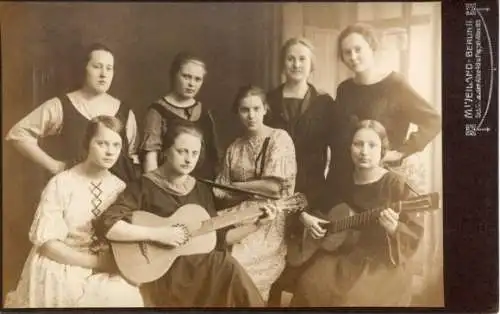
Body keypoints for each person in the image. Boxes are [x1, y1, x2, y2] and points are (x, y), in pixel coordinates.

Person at [94, 120, 265, 307]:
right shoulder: (144, 186)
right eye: (182, 151)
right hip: (159, 273)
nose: (188, 159)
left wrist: (257, 224)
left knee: (224, 264)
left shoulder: (200, 189)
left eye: (194, 153)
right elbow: (108, 224)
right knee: (225, 264)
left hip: (196, 272)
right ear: (166, 151)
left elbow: (217, 237)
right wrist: (159, 235)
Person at [4, 116, 144, 308]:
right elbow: (47, 245)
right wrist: (96, 263)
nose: (110, 151)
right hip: (60, 260)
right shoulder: (62, 183)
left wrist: (110, 263)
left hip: (106, 264)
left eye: (116, 145)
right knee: (66, 290)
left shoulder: (120, 188)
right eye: (102, 143)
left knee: (123, 295)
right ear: (87, 143)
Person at [290, 120, 424, 306]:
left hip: (381, 260)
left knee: (350, 299)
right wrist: (307, 218)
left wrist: (394, 229)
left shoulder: (395, 184)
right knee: (309, 284)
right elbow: (317, 208)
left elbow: (413, 232)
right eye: (358, 144)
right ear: (349, 148)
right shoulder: (341, 180)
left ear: (382, 150)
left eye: (372, 145)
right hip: (343, 255)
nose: (364, 151)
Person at [329, 23, 441, 198]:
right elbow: (339, 138)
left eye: (358, 49)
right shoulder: (344, 89)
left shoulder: (395, 84)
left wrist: (400, 153)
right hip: (347, 179)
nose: (353, 56)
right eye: (347, 52)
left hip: (383, 181)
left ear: (371, 47)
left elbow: (433, 120)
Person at [5, 43, 140, 184]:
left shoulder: (125, 112)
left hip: (119, 195)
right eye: (97, 66)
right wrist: (55, 166)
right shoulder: (62, 105)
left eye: (109, 68)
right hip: (75, 192)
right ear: (84, 68)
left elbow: (132, 155)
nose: (103, 74)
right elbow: (18, 134)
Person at [214, 85, 300, 302]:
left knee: (240, 264)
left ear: (265, 109)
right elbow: (220, 192)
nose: (251, 115)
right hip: (239, 212)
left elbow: (274, 187)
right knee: (212, 255)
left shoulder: (280, 138)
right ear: (238, 112)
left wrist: (237, 186)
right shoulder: (235, 147)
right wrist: (233, 191)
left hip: (271, 215)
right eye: (244, 110)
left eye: (256, 108)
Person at [140, 52, 219, 180]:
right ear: (174, 75)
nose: (192, 84)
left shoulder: (204, 111)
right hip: (168, 181)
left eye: (197, 79)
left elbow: (212, 156)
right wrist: (155, 189)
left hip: (202, 184)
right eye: (186, 77)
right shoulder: (158, 111)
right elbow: (151, 157)